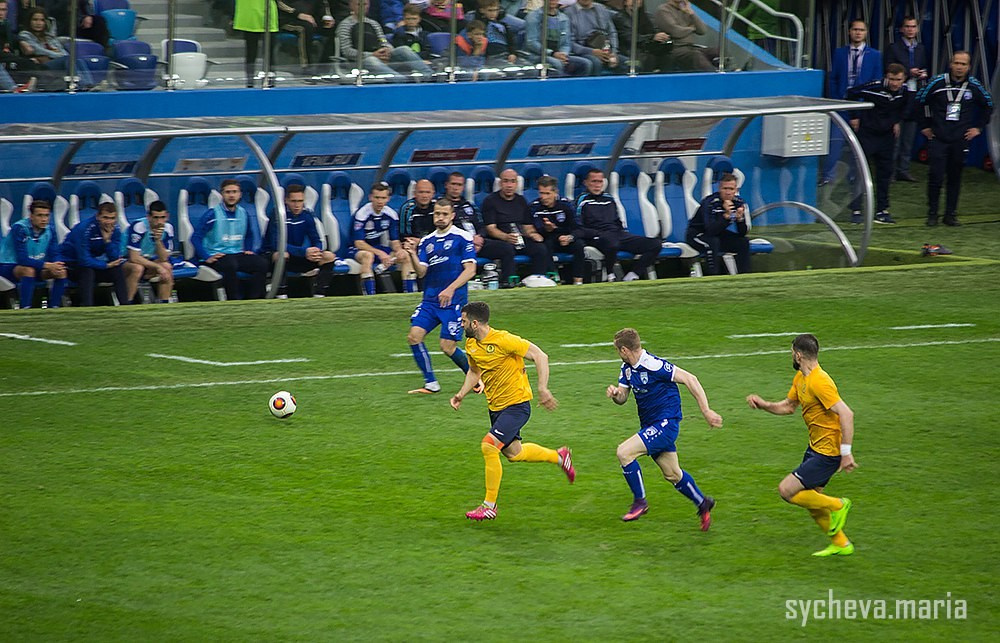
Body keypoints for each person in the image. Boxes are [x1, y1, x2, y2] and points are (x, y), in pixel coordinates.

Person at [450, 301, 575, 521]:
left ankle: (489, 505)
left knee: (489, 446)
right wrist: (461, 394)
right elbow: (474, 371)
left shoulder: (504, 340)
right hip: (496, 408)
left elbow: (540, 355)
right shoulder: (471, 345)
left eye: (464, 321)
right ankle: (559, 457)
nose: (461, 325)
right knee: (514, 454)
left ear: (475, 323)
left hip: (517, 405)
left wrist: (543, 388)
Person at [746, 333, 857, 557]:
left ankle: (839, 505)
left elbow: (847, 413)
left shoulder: (820, 381)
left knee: (786, 490)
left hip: (828, 453)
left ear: (798, 354)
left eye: (791, 353)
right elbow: (788, 406)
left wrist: (846, 453)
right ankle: (842, 545)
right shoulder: (802, 378)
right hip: (815, 448)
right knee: (813, 502)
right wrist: (764, 405)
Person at [606, 328, 720, 526]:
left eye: (618, 350)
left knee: (624, 452)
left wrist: (706, 411)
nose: (618, 354)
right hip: (651, 425)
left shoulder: (653, 364)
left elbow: (690, 379)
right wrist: (616, 394)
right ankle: (703, 503)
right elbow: (623, 398)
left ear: (624, 350)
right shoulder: (626, 368)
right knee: (673, 474)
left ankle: (640, 502)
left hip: (666, 424)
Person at [403, 201, 480, 394]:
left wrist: (451, 288)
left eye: (444, 214)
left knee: (447, 346)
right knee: (414, 337)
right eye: (437, 213)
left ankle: (475, 378)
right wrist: (412, 254)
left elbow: (470, 270)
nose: (440, 217)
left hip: (453, 302)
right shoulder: (427, 241)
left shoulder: (462, 238)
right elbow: (421, 272)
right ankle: (431, 383)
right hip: (430, 301)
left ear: (452, 215)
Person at [916, 51, 994, 227]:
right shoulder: (937, 82)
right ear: (951, 64)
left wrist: (978, 128)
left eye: (963, 64)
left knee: (955, 177)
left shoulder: (974, 85)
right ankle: (932, 213)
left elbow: (988, 105)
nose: (959, 67)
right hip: (939, 137)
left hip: (960, 139)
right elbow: (920, 102)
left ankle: (950, 214)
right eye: (957, 63)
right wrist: (925, 126)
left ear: (969, 67)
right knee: (935, 176)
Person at [845, 63, 911, 225]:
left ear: (904, 79)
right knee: (861, 172)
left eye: (898, 80)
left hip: (887, 137)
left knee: (885, 174)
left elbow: (906, 108)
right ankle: (856, 210)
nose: (895, 83)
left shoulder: (905, 92)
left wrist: (896, 121)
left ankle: (882, 210)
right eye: (892, 79)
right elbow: (851, 93)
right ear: (886, 77)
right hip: (868, 134)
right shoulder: (873, 87)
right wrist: (854, 116)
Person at [822, 19, 883, 184]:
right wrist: (836, 100)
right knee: (835, 142)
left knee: (859, 145)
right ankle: (828, 176)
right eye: (855, 29)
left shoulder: (875, 55)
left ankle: (854, 176)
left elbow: (876, 81)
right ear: (849, 31)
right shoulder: (840, 53)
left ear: (866, 33)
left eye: (861, 30)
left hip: (863, 106)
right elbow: (833, 78)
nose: (858, 32)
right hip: (841, 104)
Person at [575, 168, 660, 282]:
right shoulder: (582, 200)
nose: (597, 185)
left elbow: (617, 221)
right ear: (586, 183)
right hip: (597, 237)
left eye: (600, 181)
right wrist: (596, 234)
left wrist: (622, 232)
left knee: (655, 244)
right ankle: (610, 274)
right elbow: (578, 226)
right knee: (612, 243)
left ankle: (633, 275)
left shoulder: (610, 199)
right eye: (593, 181)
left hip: (617, 234)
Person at [190, 178, 269, 300]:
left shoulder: (243, 213)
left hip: (237, 254)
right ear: (222, 194)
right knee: (230, 265)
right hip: (218, 255)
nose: (231, 195)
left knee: (261, 263)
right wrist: (206, 257)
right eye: (228, 192)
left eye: (234, 192)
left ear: (240, 194)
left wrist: (248, 249)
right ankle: (234, 300)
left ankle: (256, 299)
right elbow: (195, 237)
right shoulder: (212, 214)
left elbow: (249, 234)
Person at [262, 184, 339, 298]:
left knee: (328, 256)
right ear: (286, 200)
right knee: (282, 254)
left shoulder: (306, 215)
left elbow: (317, 239)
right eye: (293, 201)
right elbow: (276, 244)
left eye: (300, 201)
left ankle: (319, 294)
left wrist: (315, 251)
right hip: (273, 256)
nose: (297, 205)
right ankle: (281, 293)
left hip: (297, 255)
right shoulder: (278, 215)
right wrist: (304, 252)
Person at [443, 171, 517, 288]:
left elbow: (482, 226)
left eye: (459, 185)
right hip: (458, 244)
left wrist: (480, 238)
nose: (456, 188)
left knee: (507, 248)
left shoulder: (470, 205)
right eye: (453, 184)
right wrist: (468, 240)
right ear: (446, 185)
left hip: (478, 243)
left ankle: (506, 283)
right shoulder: (442, 206)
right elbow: (444, 228)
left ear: (463, 187)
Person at [481, 168, 549, 282]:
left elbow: (527, 225)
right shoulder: (490, 201)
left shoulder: (521, 200)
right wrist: (506, 237)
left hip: (520, 238)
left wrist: (533, 234)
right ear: (500, 183)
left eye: (512, 181)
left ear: (517, 184)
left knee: (540, 248)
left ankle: (538, 280)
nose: (509, 185)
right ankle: (509, 282)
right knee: (507, 249)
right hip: (500, 240)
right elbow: (491, 228)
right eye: (505, 181)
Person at [336, 0, 433, 79]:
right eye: (358, 4)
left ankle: (429, 76)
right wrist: (372, 54)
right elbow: (347, 51)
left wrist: (386, 50)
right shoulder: (345, 25)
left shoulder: (374, 23)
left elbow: (383, 41)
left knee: (404, 49)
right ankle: (400, 80)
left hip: (381, 56)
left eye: (365, 4)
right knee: (371, 60)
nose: (362, 7)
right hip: (360, 61)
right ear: (351, 6)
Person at [349, 181, 415, 295]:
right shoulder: (362, 214)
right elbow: (358, 243)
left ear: (388, 199)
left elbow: (394, 240)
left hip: (377, 248)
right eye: (377, 197)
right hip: (355, 249)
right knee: (367, 256)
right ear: (370, 197)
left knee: (405, 255)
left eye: (383, 198)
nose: (380, 201)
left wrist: (398, 250)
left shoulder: (391, 214)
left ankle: (410, 294)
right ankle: (370, 296)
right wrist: (380, 253)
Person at [58, 202, 130, 307]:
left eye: (112, 218)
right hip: (70, 265)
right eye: (105, 217)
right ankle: (88, 307)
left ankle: (125, 306)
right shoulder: (83, 228)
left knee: (117, 270)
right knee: (87, 271)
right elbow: (83, 259)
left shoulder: (115, 230)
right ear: (98, 216)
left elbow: (115, 257)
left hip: (92, 264)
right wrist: (105, 265)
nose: (109, 222)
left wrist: (107, 241)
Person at [0, 198, 66, 309]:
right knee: (28, 270)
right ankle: (25, 308)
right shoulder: (20, 228)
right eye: (39, 215)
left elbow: (55, 252)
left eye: (46, 216)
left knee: (61, 272)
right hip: (9, 265)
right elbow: (22, 259)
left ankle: (54, 308)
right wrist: (48, 265)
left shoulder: (50, 230)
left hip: (36, 265)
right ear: (31, 216)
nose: (44, 219)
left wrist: (57, 264)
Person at [884, 15, 928, 182]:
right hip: (898, 93)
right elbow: (889, 69)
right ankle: (891, 171)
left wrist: (922, 73)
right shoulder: (894, 48)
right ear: (902, 29)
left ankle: (904, 169)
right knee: (895, 134)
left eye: (913, 26)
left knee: (909, 135)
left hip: (914, 93)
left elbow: (924, 65)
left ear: (917, 29)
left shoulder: (921, 49)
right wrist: (909, 72)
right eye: (907, 26)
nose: (910, 29)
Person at [685, 172, 750, 274]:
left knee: (743, 242)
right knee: (713, 242)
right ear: (719, 189)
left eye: (731, 189)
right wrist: (726, 217)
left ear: (736, 190)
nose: (728, 192)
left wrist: (740, 219)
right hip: (697, 235)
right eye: (725, 188)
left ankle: (744, 276)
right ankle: (713, 276)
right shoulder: (710, 203)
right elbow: (710, 230)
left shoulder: (738, 203)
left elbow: (742, 232)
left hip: (718, 234)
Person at [17, 7, 95, 90]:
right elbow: (38, 50)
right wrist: (55, 54)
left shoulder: (49, 37)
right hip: (39, 66)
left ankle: (89, 85)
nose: (38, 23)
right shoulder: (25, 35)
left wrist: (53, 55)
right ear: (29, 21)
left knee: (78, 60)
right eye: (35, 20)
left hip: (53, 61)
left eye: (42, 20)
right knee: (67, 59)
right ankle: (80, 85)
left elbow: (63, 53)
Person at [530, 175, 585, 284]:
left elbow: (578, 228)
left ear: (555, 192)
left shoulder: (566, 205)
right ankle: (553, 279)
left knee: (579, 245)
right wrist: (547, 229)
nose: (544, 197)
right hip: (548, 238)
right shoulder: (534, 207)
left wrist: (570, 237)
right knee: (545, 246)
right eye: (541, 193)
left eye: (547, 194)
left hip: (567, 237)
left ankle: (578, 281)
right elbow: (534, 229)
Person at [124, 200, 176, 304]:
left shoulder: (168, 228)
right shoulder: (139, 226)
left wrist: (158, 240)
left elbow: (164, 258)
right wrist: (157, 267)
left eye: (162, 217)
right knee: (137, 268)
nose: (159, 222)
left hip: (147, 261)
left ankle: (163, 305)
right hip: (125, 261)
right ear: (149, 217)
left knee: (167, 267)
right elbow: (133, 257)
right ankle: (127, 304)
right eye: (156, 218)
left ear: (167, 216)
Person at [524, 0, 591, 76]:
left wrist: (563, 54)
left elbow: (566, 42)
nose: (553, 1)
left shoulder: (563, 18)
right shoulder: (533, 17)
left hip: (559, 55)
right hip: (538, 55)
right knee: (557, 64)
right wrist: (552, 53)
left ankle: (578, 87)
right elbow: (532, 43)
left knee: (585, 64)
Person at [606, 0, 671, 73]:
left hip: (650, 46)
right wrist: (652, 37)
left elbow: (656, 30)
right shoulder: (619, 18)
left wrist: (661, 36)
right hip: (630, 49)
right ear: (625, 2)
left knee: (668, 56)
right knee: (649, 58)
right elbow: (629, 38)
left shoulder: (648, 16)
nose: (635, 1)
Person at [564, 0, 627, 75]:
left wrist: (613, 52)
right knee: (595, 62)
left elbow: (612, 32)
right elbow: (569, 42)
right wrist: (591, 52)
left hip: (606, 50)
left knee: (628, 63)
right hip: (583, 51)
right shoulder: (568, 13)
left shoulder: (602, 9)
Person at [277, 0, 336, 73]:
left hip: (311, 18)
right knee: (305, 29)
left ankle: (324, 66)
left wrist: (326, 16)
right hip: (288, 19)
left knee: (332, 29)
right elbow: (279, 3)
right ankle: (306, 66)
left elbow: (322, 3)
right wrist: (298, 14)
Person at [653, 0, 712, 72]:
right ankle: (716, 79)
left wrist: (691, 13)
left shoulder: (686, 10)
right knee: (696, 56)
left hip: (691, 47)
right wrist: (692, 28)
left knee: (716, 52)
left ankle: (725, 75)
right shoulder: (663, 10)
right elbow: (675, 32)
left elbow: (702, 30)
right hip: (675, 49)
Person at [233, 0, 278, 87]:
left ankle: (270, 80)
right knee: (251, 51)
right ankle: (250, 81)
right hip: (250, 12)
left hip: (267, 12)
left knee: (269, 52)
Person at [399, 178, 437, 246]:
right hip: (413, 244)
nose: (424, 196)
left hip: (434, 242)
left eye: (428, 192)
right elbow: (404, 237)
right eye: (421, 192)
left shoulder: (437, 207)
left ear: (433, 194)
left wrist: (422, 241)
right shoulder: (407, 209)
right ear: (415, 193)